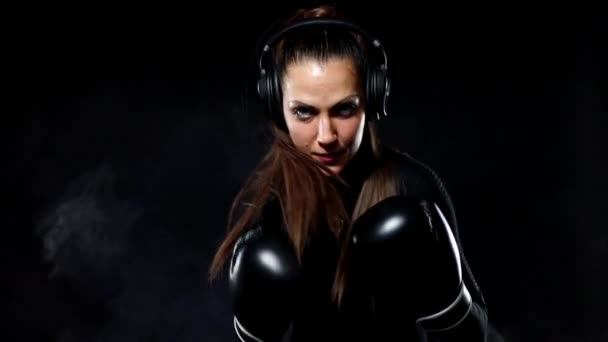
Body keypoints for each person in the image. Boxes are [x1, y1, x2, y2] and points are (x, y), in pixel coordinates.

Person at [208, 4, 489, 341]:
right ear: (276, 106)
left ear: (371, 98)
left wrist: (452, 308)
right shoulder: (267, 207)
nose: (326, 136)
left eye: (344, 109)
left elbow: (480, 336)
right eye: (304, 112)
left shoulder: (412, 183)